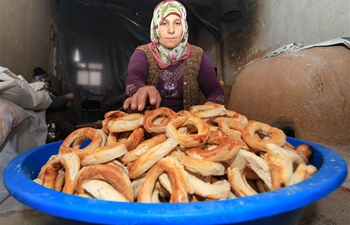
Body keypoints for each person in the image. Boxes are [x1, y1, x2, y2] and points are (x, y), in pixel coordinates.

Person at [123, 0, 224, 112]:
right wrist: (141, 89)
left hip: (186, 126)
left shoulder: (198, 55)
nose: (171, 30)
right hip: (149, 126)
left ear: (184, 27)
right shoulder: (143, 53)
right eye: (164, 23)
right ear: (155, 27)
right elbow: (133, 78)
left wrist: (211, 105)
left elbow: (215, 90)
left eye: (177, 23)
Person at [33, 67, 75, 139]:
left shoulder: (51, 91)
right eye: (44, 81)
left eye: (47, 81)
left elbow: (58, 98)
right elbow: (53, 103)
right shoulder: (39, 92)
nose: (46, 83)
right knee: (72, 133)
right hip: (51, 117)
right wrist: (67, 97)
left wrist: (65, 102)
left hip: (63, 116)